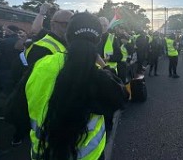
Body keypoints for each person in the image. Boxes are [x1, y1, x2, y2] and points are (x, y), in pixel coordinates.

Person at [26, 12, 129, 160]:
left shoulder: (40, 65)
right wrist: (105, 66)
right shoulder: (97, 76)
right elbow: (121, 97)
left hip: (42, 152)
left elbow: (16, 111)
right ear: (98, 40)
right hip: (86, 156)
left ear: (67, 37)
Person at [5, 3, 74, 146]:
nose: (70, 28)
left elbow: (36, 29)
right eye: (65, 24)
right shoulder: (42, 46)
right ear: (53, 24)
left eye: (72, 24)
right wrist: (41, 12)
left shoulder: (62, 40)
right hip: (40, 98)